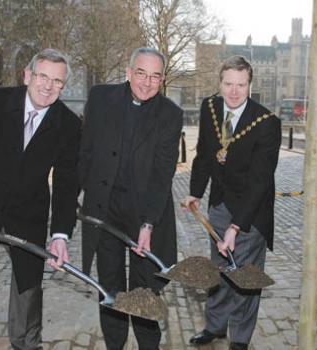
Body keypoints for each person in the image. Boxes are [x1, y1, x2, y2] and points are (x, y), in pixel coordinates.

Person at [0, 48, 81, 349]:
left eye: (57, 81)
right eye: (42, 76)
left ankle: (26, 344)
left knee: (28, 292)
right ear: (27, 75)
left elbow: (66, 183)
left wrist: (60, 234)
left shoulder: (68, 125)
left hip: (27, 215)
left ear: (63, 86)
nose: (47, 86)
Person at [78, 47, 183, 350]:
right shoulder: (100, 98)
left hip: (145, 214)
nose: (147, 82)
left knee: (144, 289)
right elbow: (84, 152)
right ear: (128, 72)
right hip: (105, 210)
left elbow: (163, 175)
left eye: (155, 76)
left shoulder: (170, 114)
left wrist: (148, 224)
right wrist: (81, 195)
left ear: (162, 80)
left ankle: (148, 345)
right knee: (109, 286)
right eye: (141, 73)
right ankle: (114, 344)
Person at [184, 55, 281, 350]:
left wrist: (236, 227)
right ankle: (214, 327)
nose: (234, 91)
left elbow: (259, 181)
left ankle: (240, 338)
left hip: (251, 212)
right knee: (219, 270)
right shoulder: (210, 107)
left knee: (244, 276)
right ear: (220, 83)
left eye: (241, 85)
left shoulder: (267, 122)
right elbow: (204, 153)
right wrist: (196, 192)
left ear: (249, 85)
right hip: (219, 204)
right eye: (229, 84)